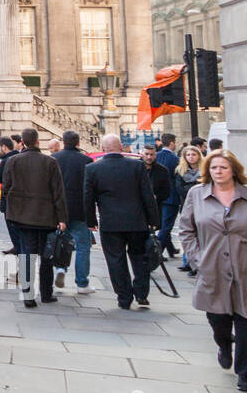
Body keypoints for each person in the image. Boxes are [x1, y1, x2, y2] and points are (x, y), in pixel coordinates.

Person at [176, 150, 247, 392]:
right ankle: (224, 346)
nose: (218, 172)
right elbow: (186, 230)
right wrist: (197, 259)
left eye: (224, 167)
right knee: (218, 320)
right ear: (208, 171)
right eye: (214, 168)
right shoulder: (196, 195)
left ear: (234, 170)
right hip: (212, 269)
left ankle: (246, 372)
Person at [85, 134, 160, 310]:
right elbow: (147, 195)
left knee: (115, 261)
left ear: (103, 149)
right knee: (140, 258)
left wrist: (90, 220)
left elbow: (88, 198)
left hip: (110, 223)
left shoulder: (93, 169)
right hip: (137, 221)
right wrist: (153, 220)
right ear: (121, 147)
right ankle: (141, 293)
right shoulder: (136, 166)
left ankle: (124, 297)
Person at [0, 128, 68, 308]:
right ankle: (46, 293)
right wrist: (62, 218)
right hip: (46, 216)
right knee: (46, 255)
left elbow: (6, 187)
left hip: (21, 216)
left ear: (22, 141)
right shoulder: (50, 162)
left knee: (27, 253)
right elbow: (58, 192)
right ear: (38, 141)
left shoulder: (13, 161)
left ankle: (28, 294)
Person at [51, 130, 96, 295]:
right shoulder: (87, 161)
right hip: (80, 209)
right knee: (83, 246)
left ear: (63, 142)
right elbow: (91, 189)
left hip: (58, 210)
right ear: (78, 143)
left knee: (61, 242)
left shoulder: (54, 159)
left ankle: (60, 269)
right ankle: (82, 283)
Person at [172, 145, 204, 275]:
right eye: (188, 155)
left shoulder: (204, 170)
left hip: (202, 205)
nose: (191, 157)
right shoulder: (180, 171)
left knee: (201, 234)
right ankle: (189, 263)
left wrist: (190, 187)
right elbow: (180, 189)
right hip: (186, 205)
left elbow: (205, 186)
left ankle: (199, 262)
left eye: (194, 154)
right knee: (188, 233)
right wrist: (194, 187)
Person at [0, 136, 22, 257]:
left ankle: (18, 248)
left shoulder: (6, 161)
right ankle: (18, 247)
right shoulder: (20, 157)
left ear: (4, 147)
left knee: (13, 229)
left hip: (9, 199)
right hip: (21, 199)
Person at [155, 133, 182, 259]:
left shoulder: (156, 156)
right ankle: (156, 253)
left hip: (158, 196)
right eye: (175, 142)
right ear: (171, 143)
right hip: (171, 197)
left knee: (164, 223)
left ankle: (171, 249)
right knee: (167, 226)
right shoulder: (175, 159)